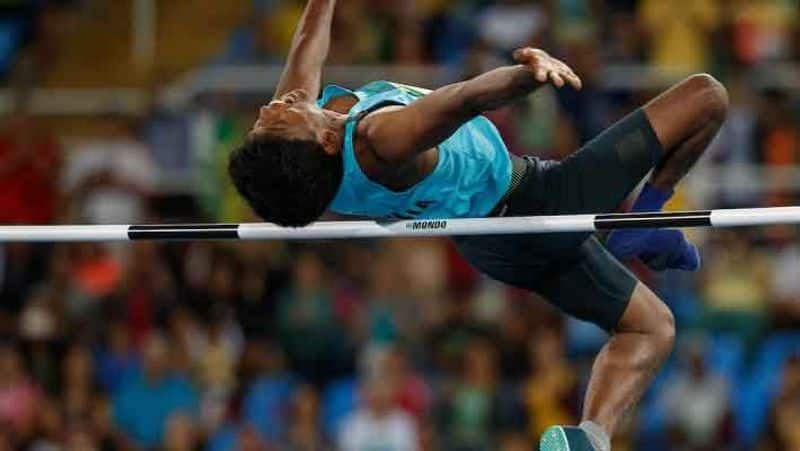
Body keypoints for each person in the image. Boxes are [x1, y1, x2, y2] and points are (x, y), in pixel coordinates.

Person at [227, 0, 728, 449]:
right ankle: (643, 218)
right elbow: (460, 100)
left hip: (491, 239)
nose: (274, 105)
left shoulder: (303, 148)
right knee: (705, 97)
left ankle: (589, 439)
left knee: (651, 327)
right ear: (325, 143)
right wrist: (525, 74)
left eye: (263, 116)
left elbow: (306, 44)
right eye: (276, 118)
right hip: (534, 204)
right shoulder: (379, 141)